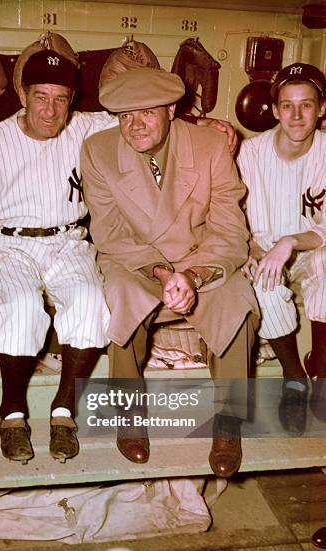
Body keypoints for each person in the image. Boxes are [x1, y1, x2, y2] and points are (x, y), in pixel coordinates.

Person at [0, 39, 238, 466]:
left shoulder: (86, 129)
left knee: (93, 303)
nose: (51, 111)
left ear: (72, 102)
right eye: (40, 98)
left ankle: (64, 410)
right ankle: (12, 414)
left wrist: (210, 124)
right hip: (8, 242)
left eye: (61, 100)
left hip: (68, 240)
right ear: (23, 96)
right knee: (20, 307)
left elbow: (146, 116)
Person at [81, 67, 259, 475]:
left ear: (172, 110)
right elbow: (109, 233)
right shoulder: (98, 151)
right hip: (138, 260)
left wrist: (194, 275)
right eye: (125, 116)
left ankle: (228, 422)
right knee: (123, 298)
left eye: (146, 112)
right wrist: (162, 273)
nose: (135, 126)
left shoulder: (211, 146)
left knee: (238, 301)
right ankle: (127, 411)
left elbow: (230, 229)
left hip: (203, 258)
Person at [238, 62, 326, 434]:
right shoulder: (251, 154)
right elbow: (235, 215)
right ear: (274, 110)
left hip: (309, 246)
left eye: (306, 105)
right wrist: (253, 252)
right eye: (287, 105)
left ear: (321, 108)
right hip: (263, 248)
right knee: (265, 284)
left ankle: (320, 364)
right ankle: (294, 376)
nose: (296, 114)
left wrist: (291, 242)